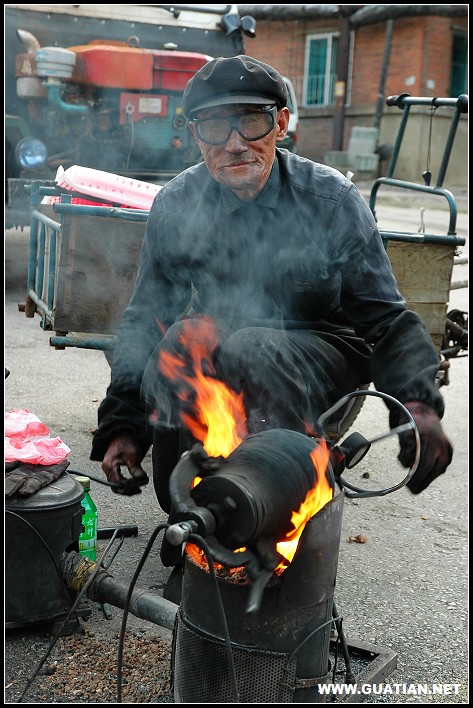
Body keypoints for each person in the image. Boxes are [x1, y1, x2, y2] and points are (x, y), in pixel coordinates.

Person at [91, 55, 452, 522]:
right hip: (229, 342)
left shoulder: (331, 202)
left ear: (280, 123)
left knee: (253, 347)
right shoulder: (177, 206)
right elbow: (146, 318)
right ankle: (189, 518)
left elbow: (386, 322)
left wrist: (417, 407)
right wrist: (122, 427)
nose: (236, 144)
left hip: (326, 349)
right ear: (196, 136)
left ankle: (277, 517)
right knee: (178, 343)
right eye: (216, 128)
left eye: (252, 122)